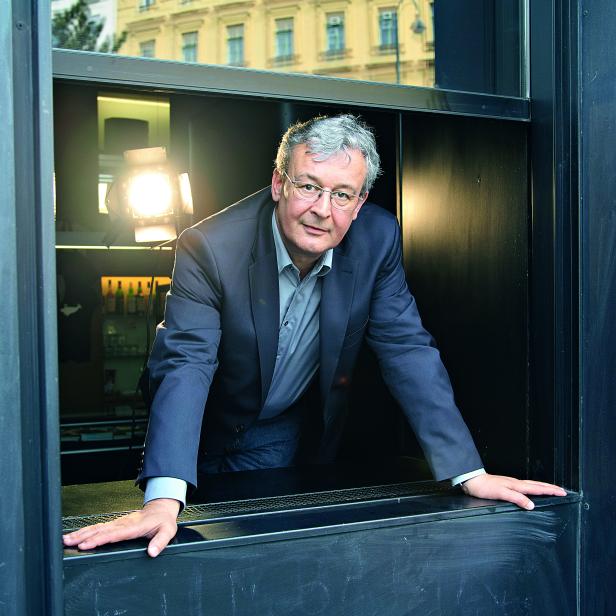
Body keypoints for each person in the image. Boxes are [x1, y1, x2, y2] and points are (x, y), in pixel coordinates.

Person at [63, 114, 566, 557]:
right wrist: (163, 497)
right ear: (279, 183)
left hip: (275, 431)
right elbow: (185, 362)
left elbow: (407, 349)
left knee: (249, 555)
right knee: (173, 545)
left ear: (360, 201)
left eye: (342, 194)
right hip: (200, 422)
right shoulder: (210, 247)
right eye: (308, 186)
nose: (322, 209)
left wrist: (468, 473)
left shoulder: (377, 239)